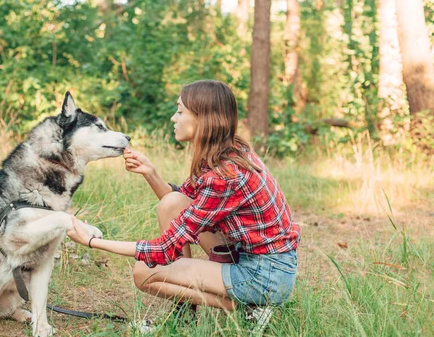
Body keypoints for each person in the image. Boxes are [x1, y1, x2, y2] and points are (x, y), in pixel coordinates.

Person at [66, 80, 300, 312]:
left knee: (145, 274)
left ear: (202, 118)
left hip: (263, 275)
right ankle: (185, 311)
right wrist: (151, 173)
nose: (173, 118)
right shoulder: (226, 151)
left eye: (180, 111)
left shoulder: (224, 175)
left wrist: (92, 241)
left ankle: (248, 309)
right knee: (172, 203)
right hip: (259, 260)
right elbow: (180, 205)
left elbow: (163, 249)